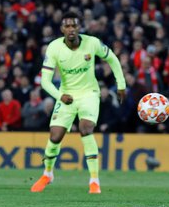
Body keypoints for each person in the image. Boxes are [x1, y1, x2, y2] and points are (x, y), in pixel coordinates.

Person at [31, 11, 125, 194]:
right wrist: (60, 96)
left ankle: (94, 181)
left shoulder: (92, 43)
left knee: (86, 128)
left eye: (74, 25)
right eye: (67, 26)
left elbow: (112, 59)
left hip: (89, 94)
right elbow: (45, 81)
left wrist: (121, 85)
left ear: (79, 28)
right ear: (62, 29)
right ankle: (47, 174)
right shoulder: (54, 47)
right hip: (67, 95)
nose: (71, 29)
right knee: (55, 136)